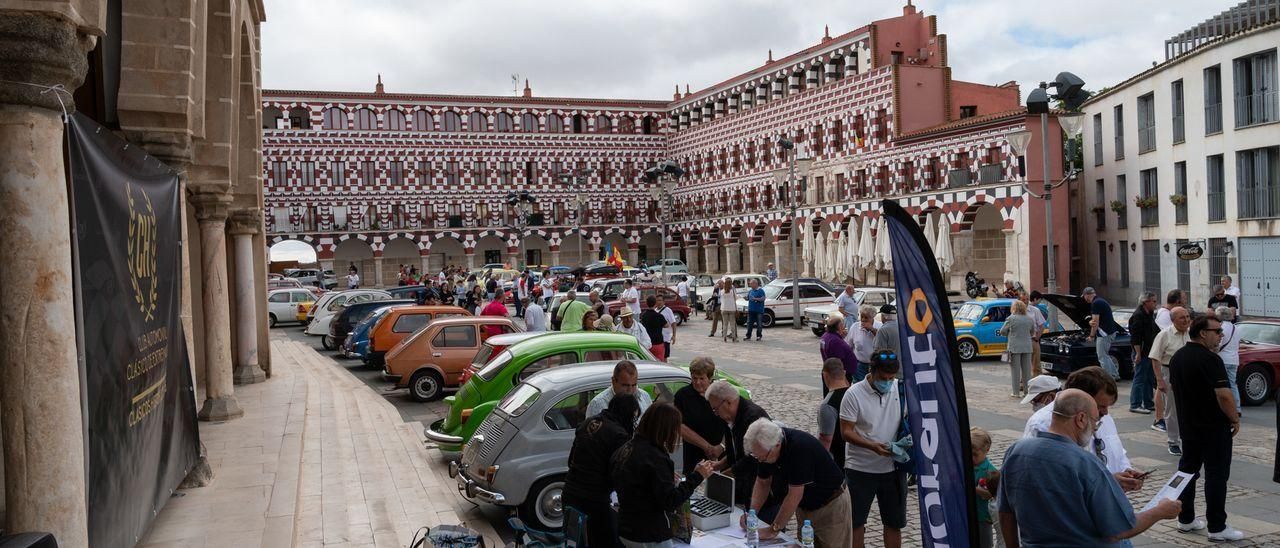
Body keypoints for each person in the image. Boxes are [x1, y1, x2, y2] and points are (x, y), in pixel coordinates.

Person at [999, 389, 1182, 547]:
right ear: (1080, 419)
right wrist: (1160, 511)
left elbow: (1005, 511)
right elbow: (1119, 529)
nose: (1095, 428)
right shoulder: (1085, 463)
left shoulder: (1016, 452)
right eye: (1095, 421)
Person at [1169, 315, 1244, 541]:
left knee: (1187, 472)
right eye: (1218, 331)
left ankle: (1185, 518)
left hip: (1188, 427)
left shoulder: (1177, 357)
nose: (1221, 335)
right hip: (1213, 428)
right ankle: (1217, 526)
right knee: (1216, 475)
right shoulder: (1211, 360)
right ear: (1203, 333)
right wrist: (1234, 419)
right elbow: (1224, 395)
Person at [611, 403, 715, 548]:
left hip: (625, 527)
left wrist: (660, 478)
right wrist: (698, 476)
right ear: (667, 429)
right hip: (649, 533)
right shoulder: (655, 457)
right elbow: (670, 501)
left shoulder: (628, 447)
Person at [1022, 366, 1144, 489]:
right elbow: (1050, 479)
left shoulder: (1104, 416)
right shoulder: (1042, 424)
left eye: (1108, 406)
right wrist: (1107, 482)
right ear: (1080, 399)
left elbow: (1117, 452)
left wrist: (1126, 470)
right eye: (1100, 406)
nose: (1105, 413)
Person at [743, 418, 852, 546]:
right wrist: (751, 515)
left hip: (831, 506)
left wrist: (773, 530)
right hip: (805, 507)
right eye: (756, 457)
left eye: (762, 457)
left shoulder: (799, 448)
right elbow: (762, 482)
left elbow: (794, 495)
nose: (760, 461)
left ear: (777, 445)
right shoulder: (765, 450)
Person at [839, 350, 906, 548]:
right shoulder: (853, 394)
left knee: (894, 523)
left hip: (893, 469)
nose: (887, 382)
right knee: (857, 522)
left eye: (891, 378)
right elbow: (846, 432)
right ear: (871, 371)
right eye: (883, 378)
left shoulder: (900, 390)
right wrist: (872, 446)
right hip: (860, 468)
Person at [563, 393, 640, 547]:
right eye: (633, 418)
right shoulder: (619, 435)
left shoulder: (587, 423)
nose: (633, 423)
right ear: (627, 414)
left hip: (570, 492)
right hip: (594, 499)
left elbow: (571, 460)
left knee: (574, 542)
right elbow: (620, 474)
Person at [706, 379, 771, 505]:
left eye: (715, 409)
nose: (715, 414)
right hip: (742, 486)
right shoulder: (728, 417)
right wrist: (720, 464)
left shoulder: (753, 417)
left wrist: (727, 474)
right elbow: (733, 450)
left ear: (728, 402)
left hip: (761, 487)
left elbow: (754, 457)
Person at [674, 357, 727, 475]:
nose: (697, 382)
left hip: (722, 454)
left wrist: (721, 446)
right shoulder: (683, 396)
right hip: (693, 453)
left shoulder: (721, 394)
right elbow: (680, 426)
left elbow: (733, 423)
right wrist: (707, 447)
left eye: (702, 378)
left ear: (710, 378)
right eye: (694, 378)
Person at [1150, 307, 1191, 455]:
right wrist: (1159, 380)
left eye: (1187, 317)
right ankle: (1173, 441)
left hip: (1189, 373)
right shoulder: (1164, 335)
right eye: (1182, 318)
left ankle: (1188, 438)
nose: (1186, 320)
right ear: (1173, 320)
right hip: (1170, 372)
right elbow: (1155, 358)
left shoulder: (1192, 333)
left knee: (1190, 408)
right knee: (1172, 409)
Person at [586, 360, 654, 419]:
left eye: (634, 385)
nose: (630, 391)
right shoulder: (597, 405)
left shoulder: (645, 397)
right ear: (613, 381)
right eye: (625, 385)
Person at [1127, 291, 1159, 414]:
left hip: (1149, 351)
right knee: (1139, 378)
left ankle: (1148, 402)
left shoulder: (1149, 314)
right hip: (1141, 352)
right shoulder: (1138, 315)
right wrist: (1138, 354)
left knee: (1149, 378)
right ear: (1146, 302)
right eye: (1154, 301)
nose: (1155, 304)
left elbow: (1155, 330)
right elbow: (1136, 337)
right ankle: (1135, 404)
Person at [997, 300, 1038, 397]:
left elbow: (1002, 331)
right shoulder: (1029, 319)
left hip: (1014, 347)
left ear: (1014, 308)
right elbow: (1032, 332)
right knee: (1027, 371)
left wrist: (1010, 333)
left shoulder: (1010, 319)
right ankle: (1027, 392)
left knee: (1015, 371)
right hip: (1027, 347)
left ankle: (1016, 393)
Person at [817, 357, 851, 467]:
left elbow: (826, 440)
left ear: (825, 375)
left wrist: (819, 465)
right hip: (860, 456)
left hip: (839, 461)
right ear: (844, 372)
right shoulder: (855, 394)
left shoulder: (827, 404)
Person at [1082, 287, 1122, 380]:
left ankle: (1107, 378)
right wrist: (1090, 322)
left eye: (1084, 296)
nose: (1084, 299)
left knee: (1102, 356)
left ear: (1086, 295)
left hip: (1104, 334)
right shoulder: (1100, 301)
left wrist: (1091, 336)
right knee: (1105, 355)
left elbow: (1095, 322)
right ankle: (1115, 374)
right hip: (1110, 332)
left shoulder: (1096, 303)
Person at [971, 428, 1000, 548]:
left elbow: (990, 494)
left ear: (986, 450)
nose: (971, 458)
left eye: (975, 454)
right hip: (966, 514)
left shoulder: (990, 472)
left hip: (983, 517)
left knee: (984, 544)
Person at [1215, 306, 1242, 414]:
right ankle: (1237, 408)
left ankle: (1224, 408)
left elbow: (1218, 344)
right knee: (1233, 384)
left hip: (1223, 359)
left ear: (1220, 316)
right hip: (1234, 359)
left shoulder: (1221, 328)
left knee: (1222, 385)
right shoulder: (1237, 328)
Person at [819, 315, 857, 391]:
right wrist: (844, 380)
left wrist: (841, 336)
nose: (844, 327)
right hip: (838, 376)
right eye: (843, 325)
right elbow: (838, 361)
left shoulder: (825, 336)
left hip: (831, 372)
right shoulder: (835, 341)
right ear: (839, 327)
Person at [845, 305, 878, 382]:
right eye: (861, 317)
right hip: (859, 365)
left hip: (875, 365)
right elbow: (849, 345)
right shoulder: (855, 327)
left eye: (866, 318)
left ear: (872, 317)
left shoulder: (879, 326)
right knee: (859, 386)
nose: (863, 320)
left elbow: (881, 339)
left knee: (873, 386)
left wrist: (872, 329)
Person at [1019, 290, 1047, 375]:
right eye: (1023, 300)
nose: (1026, 301)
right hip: (1021, 341)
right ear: (1019, 300)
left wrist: (1037, 337)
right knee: (1023, 364)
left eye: (1027, 299)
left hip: (1032, 340)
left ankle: (1037, 383)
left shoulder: (1035, 310)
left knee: (1036, 365)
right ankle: (1023, 383)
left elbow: (1042, 325)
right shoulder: (1016, 312)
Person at [639, 296, 668, 360]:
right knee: (659, 363)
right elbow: (666, 325)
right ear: (655, 304)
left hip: (647, 343)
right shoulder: (659, 316)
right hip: (658, 343)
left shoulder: (643, 315)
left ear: (646, 303)